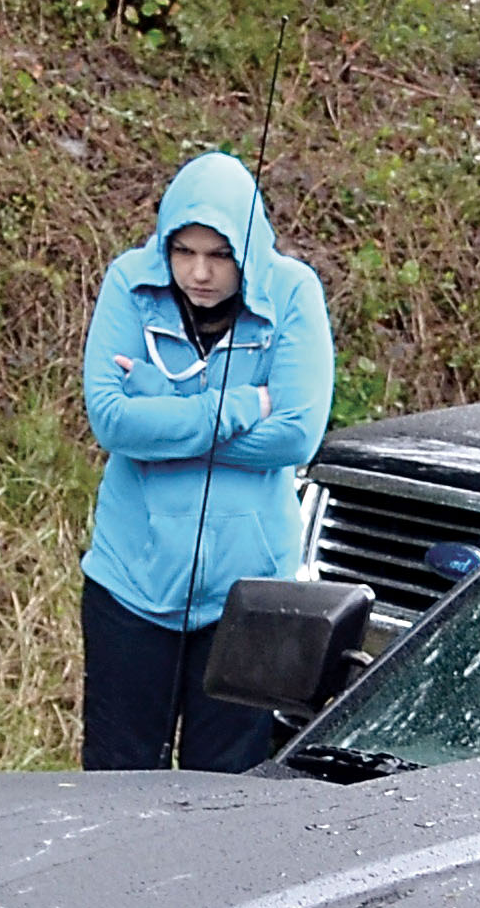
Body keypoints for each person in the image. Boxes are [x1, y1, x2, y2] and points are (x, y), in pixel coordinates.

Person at [78, 151, 335, 771]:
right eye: (183, 252)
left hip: (247, 596)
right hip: (130, 585)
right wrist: (242, 404)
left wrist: (161, 409)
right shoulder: (128, 284)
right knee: (116, 783)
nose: (199, 273)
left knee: (225, 792)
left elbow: (296, 436)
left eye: (220, 255)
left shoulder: (293, 292)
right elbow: (111, 421)